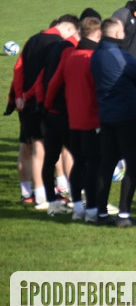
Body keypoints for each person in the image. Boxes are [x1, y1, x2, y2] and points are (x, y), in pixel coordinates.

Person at [7, 14, 80, 209]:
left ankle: (27, 194)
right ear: (70, 30)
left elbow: (18, 68)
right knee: (52, 148)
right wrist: (31, 95)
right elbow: (45, 75)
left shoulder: (32, 39)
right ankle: (51, 193)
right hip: (44, 101)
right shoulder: (59, 44)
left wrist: (19, 95)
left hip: (25, 104)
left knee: (26, 146)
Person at [91, 18, 136, 227]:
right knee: (133, 164)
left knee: (106, 165)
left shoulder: (96, 55)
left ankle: (101, 214)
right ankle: (124, 215)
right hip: (126, 116)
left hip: (106, 115)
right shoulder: (119, 55)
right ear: (116, 33)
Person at [49, 15, 102, 222]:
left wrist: (48, 105)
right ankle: (92, 210)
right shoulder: (93, 58)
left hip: (73, 119)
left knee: (79, 162)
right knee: (93, 164)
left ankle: (78, 207)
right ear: (97, 34)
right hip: (92, 119)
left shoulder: (70, 56)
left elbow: (54, 84)